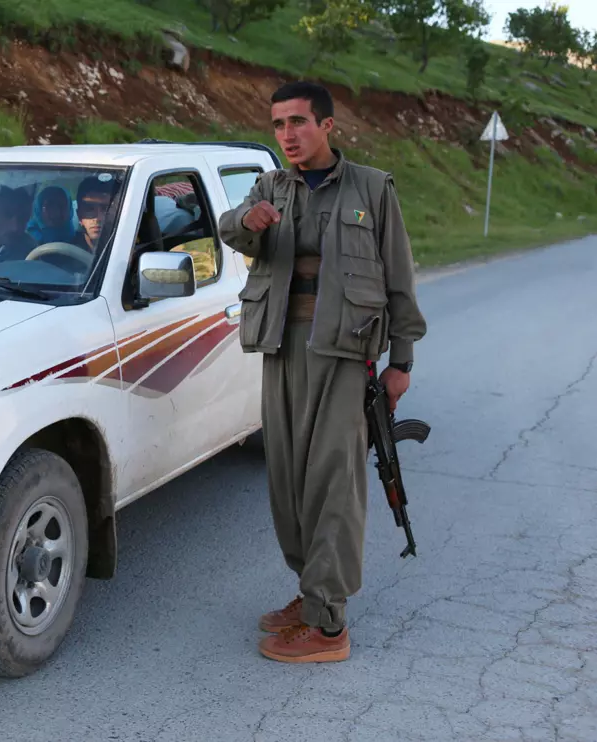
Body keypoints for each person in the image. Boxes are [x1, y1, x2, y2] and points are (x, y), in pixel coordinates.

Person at [217, 81, 427, 663]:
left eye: (298, 123)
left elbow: (399, 279)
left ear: (327, 126)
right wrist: (248, 221)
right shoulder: (269, 187)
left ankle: (329, 627)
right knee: (287, 482)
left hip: (342, 356)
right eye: (278, 124)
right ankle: (309, 593)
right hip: (281, 349)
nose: (287, 134)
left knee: (332, 483)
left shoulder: (371, 188)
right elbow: (230, 232)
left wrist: (401, 361)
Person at [72, 175, 120, 253]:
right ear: (80, 216)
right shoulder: (67, 253)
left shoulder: (128, 249)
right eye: (89, 209)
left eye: (105, 209)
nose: (98, 218)